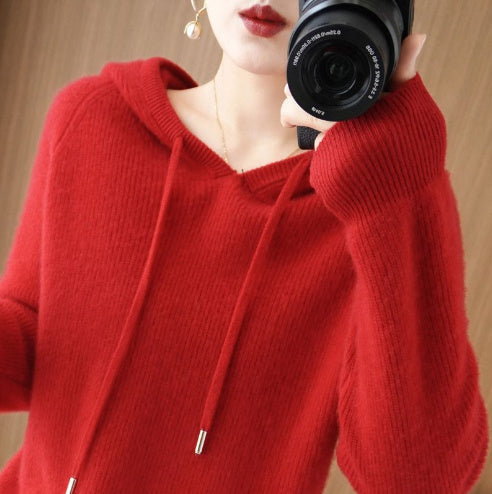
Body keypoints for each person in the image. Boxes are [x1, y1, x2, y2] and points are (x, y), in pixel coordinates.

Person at [0, 1, 488, 493]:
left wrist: (396, 194)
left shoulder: (374, 205)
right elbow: (30, 340)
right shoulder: (93, 116)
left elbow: (420, 478)